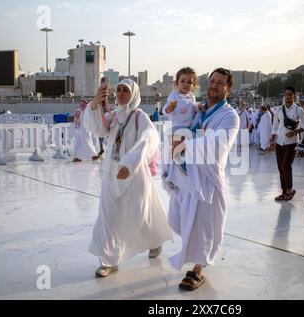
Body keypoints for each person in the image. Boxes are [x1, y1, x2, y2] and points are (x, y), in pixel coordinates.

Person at [84, 79, 173, 277]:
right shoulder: (115, 115)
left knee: (140, 215)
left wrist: (131, 161)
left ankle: (154, 239)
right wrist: (95, 103)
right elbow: (96, 127)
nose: (121, 93)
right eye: (119, 90)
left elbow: (149, 138)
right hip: (112, 173)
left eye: (126, 90)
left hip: (133, 173)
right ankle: (108, 260)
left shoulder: (140, 117)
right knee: (108, 217)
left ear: (133, 94)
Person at [165, 68, 239, 291]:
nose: (214, 85)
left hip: (207, 179)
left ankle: (198, 268)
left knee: (205, 225)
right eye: (212, 81)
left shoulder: (229, 115)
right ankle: (195, 258)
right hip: (188, 175)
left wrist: (186, 144)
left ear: (228, 88)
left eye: (220, 83)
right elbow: (179, 124)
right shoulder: (199, 110)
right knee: (186, 219)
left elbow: (218, 143)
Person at [162, 67, 202, 180]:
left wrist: (198, 107)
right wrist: (169, 108)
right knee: (175, 148)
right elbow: (165, 109)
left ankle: (180, 166)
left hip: (188, 127)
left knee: (185, 147)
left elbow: (194, 106)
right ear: (177, 83)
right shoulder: (174, 96)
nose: (186, 84)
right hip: (176, 127)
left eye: (189, 82)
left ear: (193, 85)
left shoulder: (191, 97)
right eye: (183, 81)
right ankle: (168, 171)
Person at [270, 87, 304, 201]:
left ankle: (290, 190)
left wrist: (295, 132)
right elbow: (275, 125)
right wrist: (272, 139)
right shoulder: (279, 109)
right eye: (286, 94)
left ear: (294, 96)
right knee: (280, 168)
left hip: (292, 142)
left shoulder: (298, 110)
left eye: (290, 94)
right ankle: (284, 191)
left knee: (286, 166)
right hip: (279, 142)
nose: (287, 96)